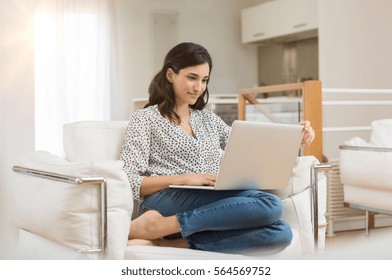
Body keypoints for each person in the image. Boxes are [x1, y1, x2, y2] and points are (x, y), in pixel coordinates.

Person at [120, 42, 315, 255]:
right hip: (166, 200)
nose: (199, 87)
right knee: (271, 204)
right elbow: (129, 180)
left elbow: (251, 145)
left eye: (204, 80)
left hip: (213, 197)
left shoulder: (208, 118)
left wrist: (295, 136)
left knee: (281, 232)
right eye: (192, 77)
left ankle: (165, 239)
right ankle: (159, 224)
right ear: (170, 75)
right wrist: (184, 178)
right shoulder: (145, 118)